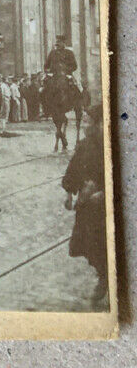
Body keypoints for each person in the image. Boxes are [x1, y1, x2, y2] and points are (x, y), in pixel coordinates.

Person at [62, 103, 107, 306]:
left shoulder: (109, 146)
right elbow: (74, 168)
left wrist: (105, 193)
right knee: (86, 244)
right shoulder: (84, 144)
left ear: (100, 123)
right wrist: (69, 192)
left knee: (100, 242)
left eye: (89, 121)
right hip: (86, 203)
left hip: (103, 205)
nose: (85, 124)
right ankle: (102, 272)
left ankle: (106, 277)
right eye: (85, 120)